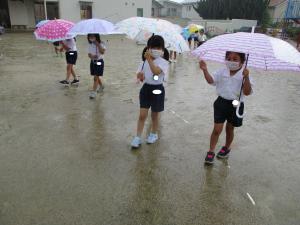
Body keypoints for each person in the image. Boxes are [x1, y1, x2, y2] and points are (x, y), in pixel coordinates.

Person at [199, 51, 254, 165]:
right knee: (217, 129)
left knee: (230, 129)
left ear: (242, 62)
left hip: (236, 105)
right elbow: (211, 81)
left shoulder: (244, 74)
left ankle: (226, 147)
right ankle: (211, 151)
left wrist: (247, 77)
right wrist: (205, 70)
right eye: (229, 58)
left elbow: (247, 92)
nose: (231, 61)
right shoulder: (221, 71)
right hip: (221, 103)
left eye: (235, 59)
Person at [131, 35, 169, 148]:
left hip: (157, 89)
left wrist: (148, 59)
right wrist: (140, 76)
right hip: (146, 89)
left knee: (154, 115)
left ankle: (153, 134)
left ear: (162, 49)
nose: (156, 50)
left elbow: (156, 72)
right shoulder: (143, 62)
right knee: (142, 115)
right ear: (148, 48)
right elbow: (139, 75)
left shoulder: (163, 62)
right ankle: (137, 137)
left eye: (159, 48)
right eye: (153, 47)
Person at [87, 33, 106, 99]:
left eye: (92, 36)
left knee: (95, 77)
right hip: (93, 62)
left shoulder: (102, 43)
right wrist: (92, 56)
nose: (91, 37)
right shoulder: (90, 44)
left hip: (99, 62)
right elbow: (89, 54)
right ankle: (101, 86)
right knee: (96, 76)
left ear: (96, 36)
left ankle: (94, 92)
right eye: (90, 36)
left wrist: (97, 44)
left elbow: (102, 52)